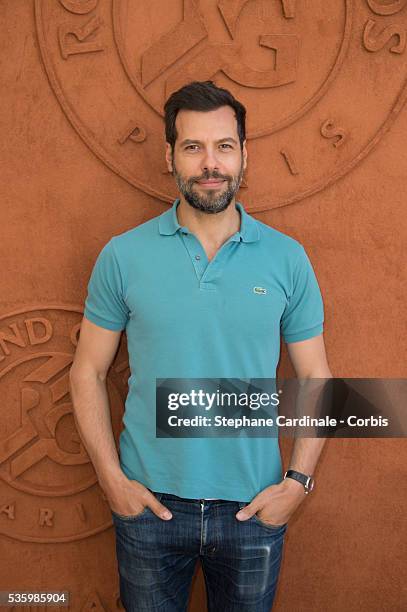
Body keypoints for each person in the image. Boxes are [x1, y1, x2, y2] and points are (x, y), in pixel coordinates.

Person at [69, 80, 332, 611]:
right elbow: (87, 373)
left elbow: (317, 380)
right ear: (170, 157)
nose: (210, 163)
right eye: (193, 147)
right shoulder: (122, 256)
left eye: (224, 146)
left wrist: (296, 484)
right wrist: (111, 481)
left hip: (253, 510)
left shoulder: (287, 259)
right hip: (148, 511)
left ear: (243, 155)